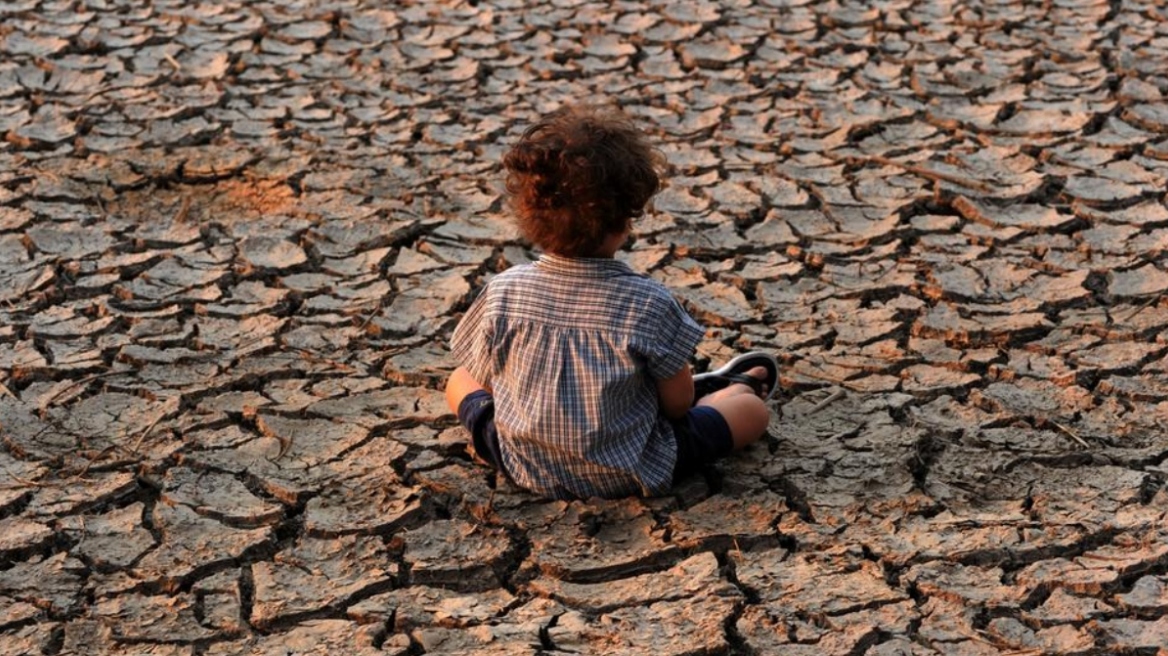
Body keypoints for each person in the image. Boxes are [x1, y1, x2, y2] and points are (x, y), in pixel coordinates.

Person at [445, 103, 775, 500]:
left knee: (459, 379)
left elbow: (487, 382)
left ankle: (707, 391)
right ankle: (721, 391)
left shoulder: (503, 291)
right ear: (624, 220)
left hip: (523, 463)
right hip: (631, 468)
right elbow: (677, 406)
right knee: (751, 410)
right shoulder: (648, 303)